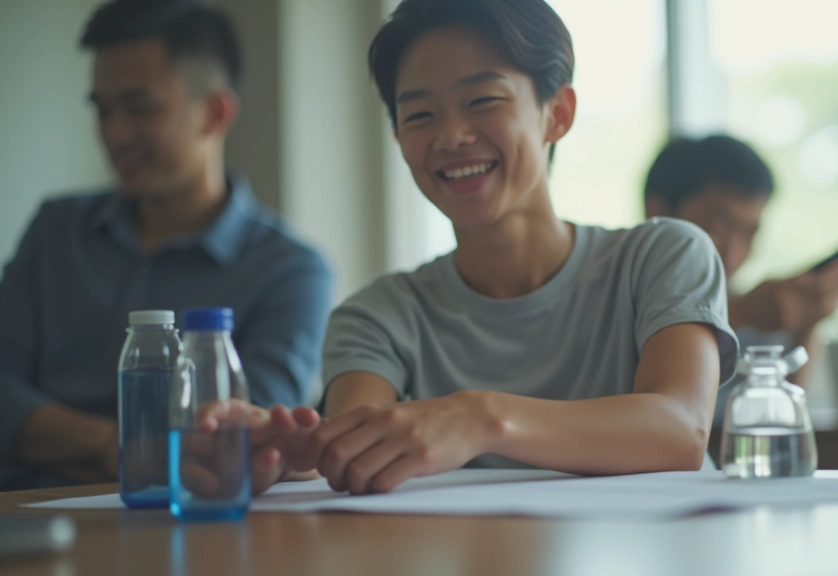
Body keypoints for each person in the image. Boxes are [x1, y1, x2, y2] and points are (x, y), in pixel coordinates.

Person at [197, 0, 739, 498]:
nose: (451, 136)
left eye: (483, 101)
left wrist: (480, 418)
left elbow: (680, 431)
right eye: (420, 115)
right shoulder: (378, 316)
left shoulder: (662, 255)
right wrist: (282, 452)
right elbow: (354, 456)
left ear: (558, 114)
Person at [0, 0, 332, 490]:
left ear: (215, 112)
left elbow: (242, 441)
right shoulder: (56, 229)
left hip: (189, 525)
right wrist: (117, 450)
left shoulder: (291, 271)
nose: (115, 134)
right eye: (104, 110)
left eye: (140, 108)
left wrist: (46, 439)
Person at [644, 136, 838, 412]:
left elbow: (779, 416)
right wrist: (738, 314)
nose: (734, 253)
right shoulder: (612, 303)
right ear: (657, 212)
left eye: (750, 234)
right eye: (719, 227)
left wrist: (804, 326)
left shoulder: (758, 322)